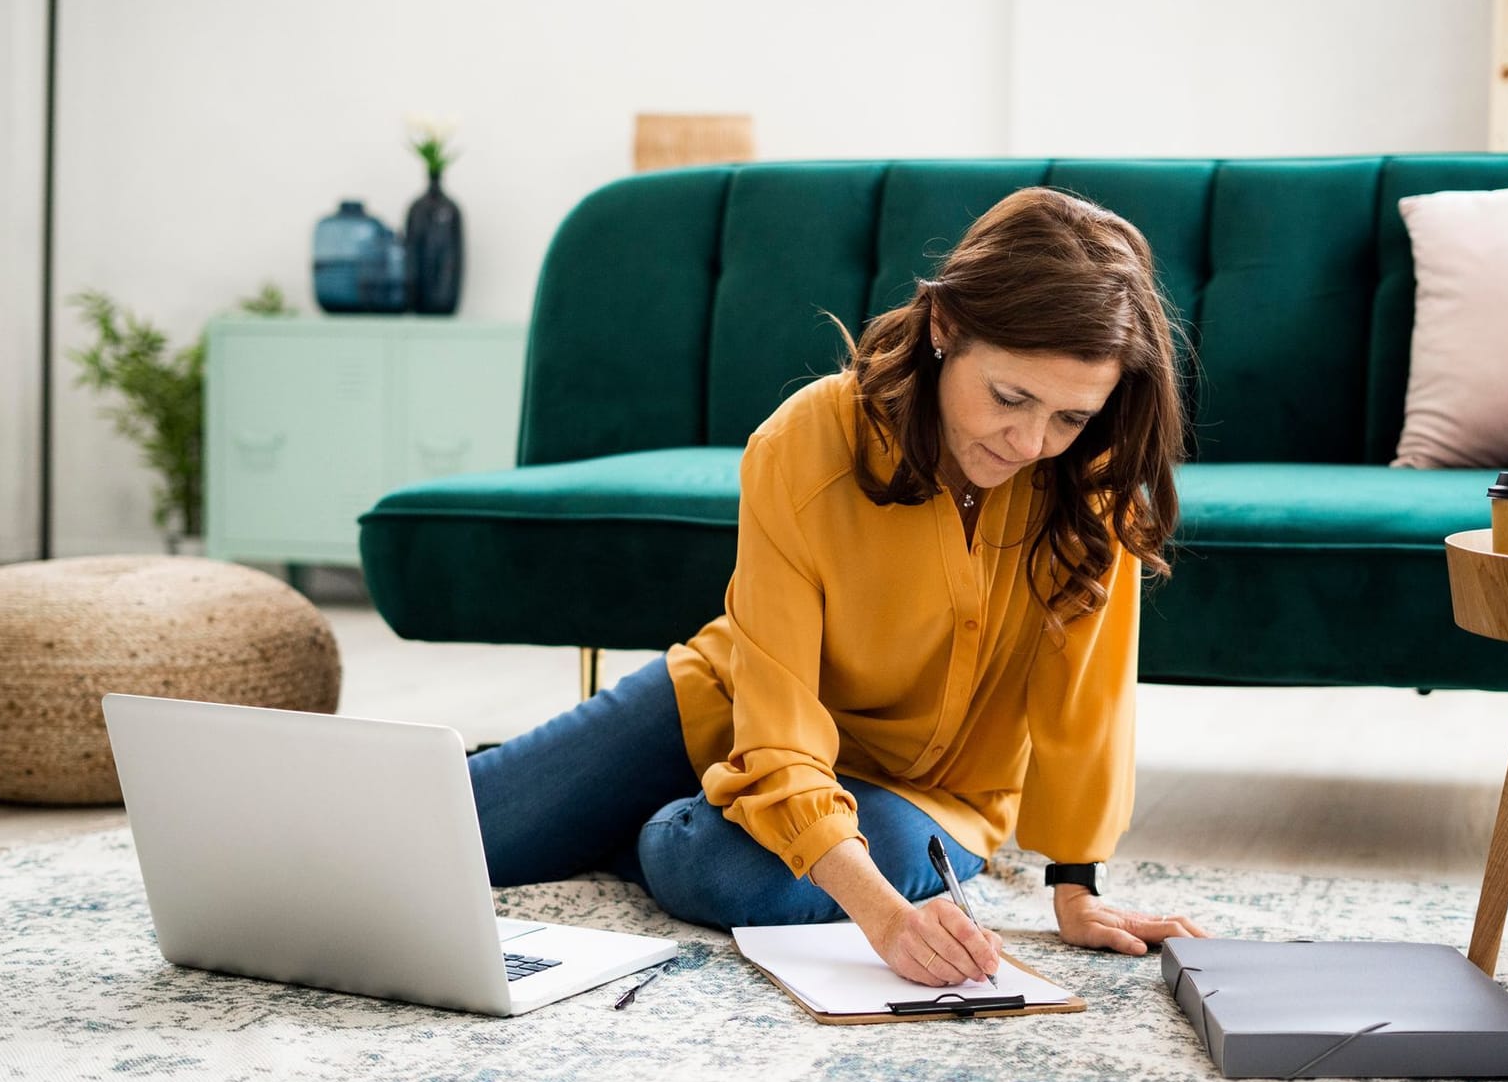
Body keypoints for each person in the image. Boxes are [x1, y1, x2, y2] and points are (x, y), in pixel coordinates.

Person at [470, 186, 1209, 987]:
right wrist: (887, 919)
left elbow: (1086, 701)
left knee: (708, 865)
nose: (1032, 441)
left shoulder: (1089, 480)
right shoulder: (807, 440)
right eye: (1009, 397)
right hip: (732, 704)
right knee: (453, 827)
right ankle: (689, 796)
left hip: (931, 796)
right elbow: (777, 715)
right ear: (945, 326)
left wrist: (1075, 882)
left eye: (1070, 417)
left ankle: (678, 816)